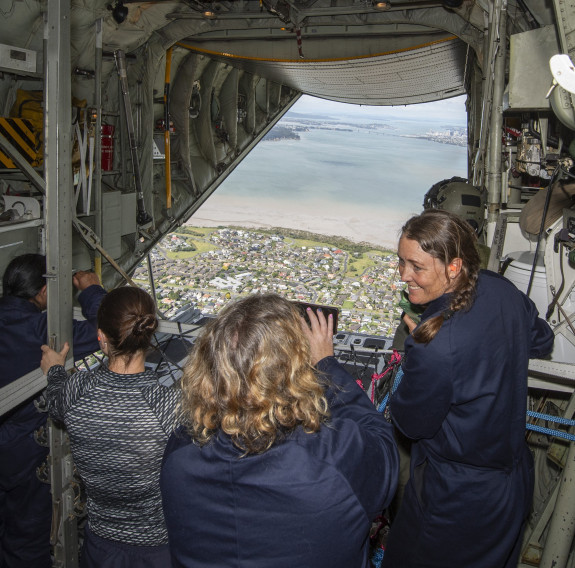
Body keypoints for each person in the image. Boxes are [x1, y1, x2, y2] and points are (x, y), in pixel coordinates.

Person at [160, 293, 398, 568]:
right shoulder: (333, 459)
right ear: (296, 374)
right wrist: (326, 365)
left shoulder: (181, 453)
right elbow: (383, 449)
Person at [381, 210, 554, 568]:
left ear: (455, 266)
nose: (404, 275)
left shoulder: (434, 343)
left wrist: (414, 358)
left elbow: (411, 424)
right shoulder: (501, 289)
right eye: (401, 262)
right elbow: (541, 339)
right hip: (510, 485)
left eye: (416, 267)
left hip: (455, 498)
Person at [41, 286, 181, 568]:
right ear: (149, 334)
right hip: (157, 547)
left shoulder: (76, 391)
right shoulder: (169, 406)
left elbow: (54, 401)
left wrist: (55, 370)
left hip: (101, 546)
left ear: (101, 337)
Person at [0, 253, 105, 568]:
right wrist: (91, 290)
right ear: (43, 292)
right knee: (24, 539)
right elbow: (109, 331)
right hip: (21, 455)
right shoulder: (40, 329)